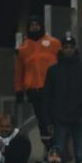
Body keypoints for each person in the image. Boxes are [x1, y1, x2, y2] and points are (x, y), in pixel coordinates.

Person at [43, 34, 82, 163]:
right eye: (65, 47)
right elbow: (48, 95)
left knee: (80, 154)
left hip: (79, 115)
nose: (68, 50)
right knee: (59, 155)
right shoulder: (53, 70)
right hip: (59, 117)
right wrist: (49, 119)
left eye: (71, 47)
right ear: (61, 49)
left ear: (74, 48)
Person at [15, 14, 61, 148]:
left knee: (54, 118)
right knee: (42, 120)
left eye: (37, 24)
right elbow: (19, 71)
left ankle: (59, 146)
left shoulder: (54, 43)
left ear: (41, 26)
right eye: (32, 25)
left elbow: (61, 64)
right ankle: (48, 147)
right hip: (34, 90)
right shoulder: (23, 48)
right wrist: (19, 90)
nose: (34, 27)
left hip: (53, 88)